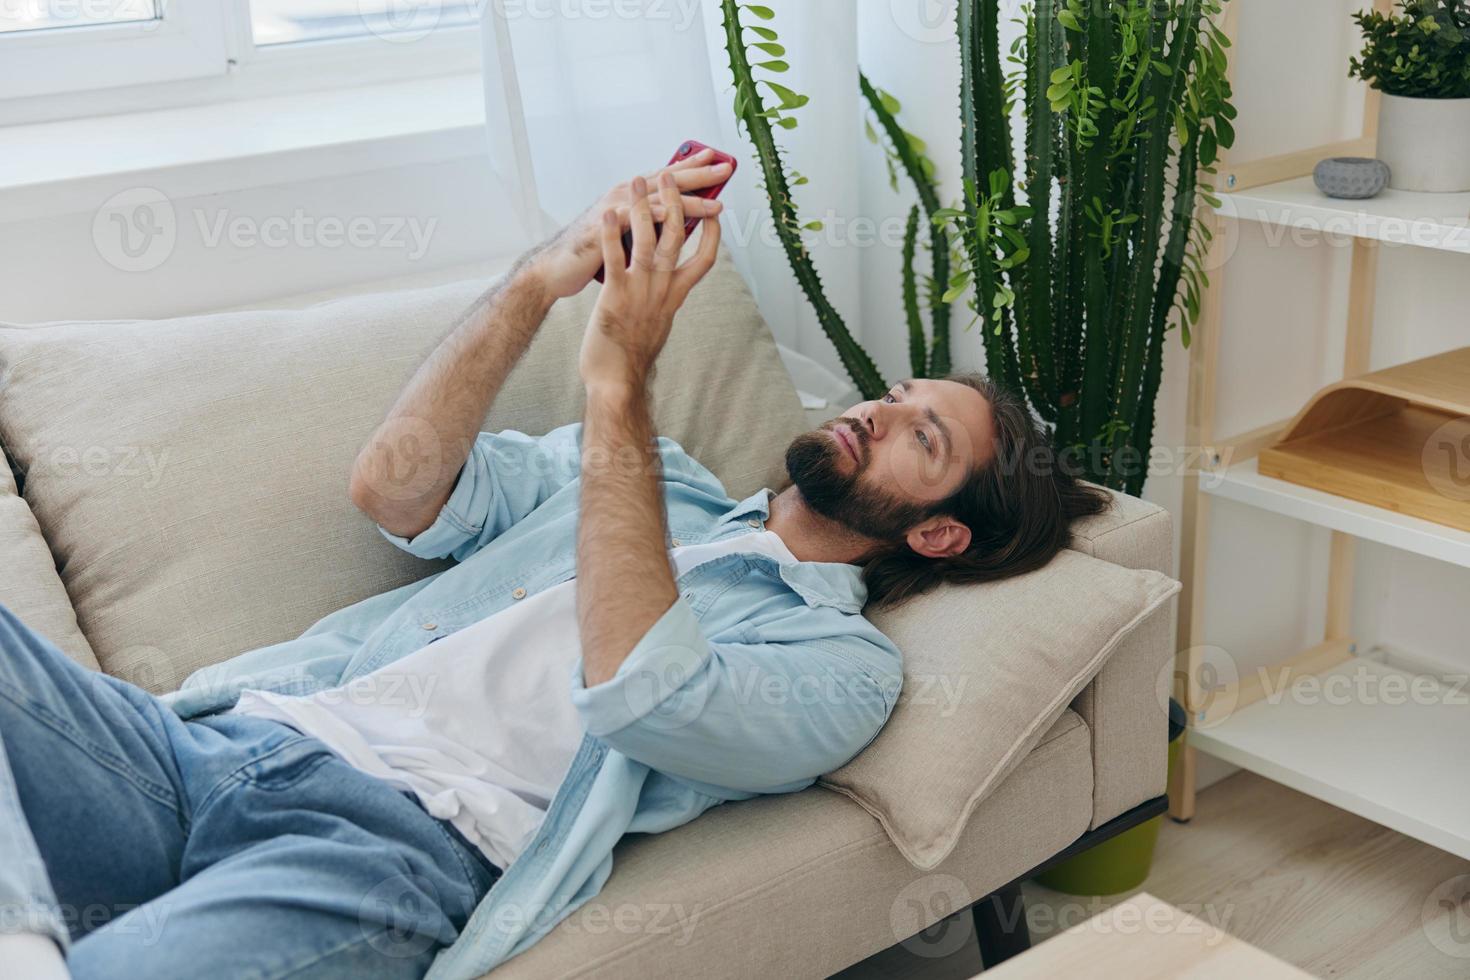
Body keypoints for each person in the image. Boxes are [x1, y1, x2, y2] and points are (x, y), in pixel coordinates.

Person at [0, 149, 1108, 980]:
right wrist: (541, 280)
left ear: (939, 533)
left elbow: (638, 683)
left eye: (924, 437)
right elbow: (395, 487)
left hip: (387, 842)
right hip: (223, 739)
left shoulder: (841, 664)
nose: (877, 411)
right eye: (897, 395)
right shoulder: (653, 477)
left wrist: (619, 376)